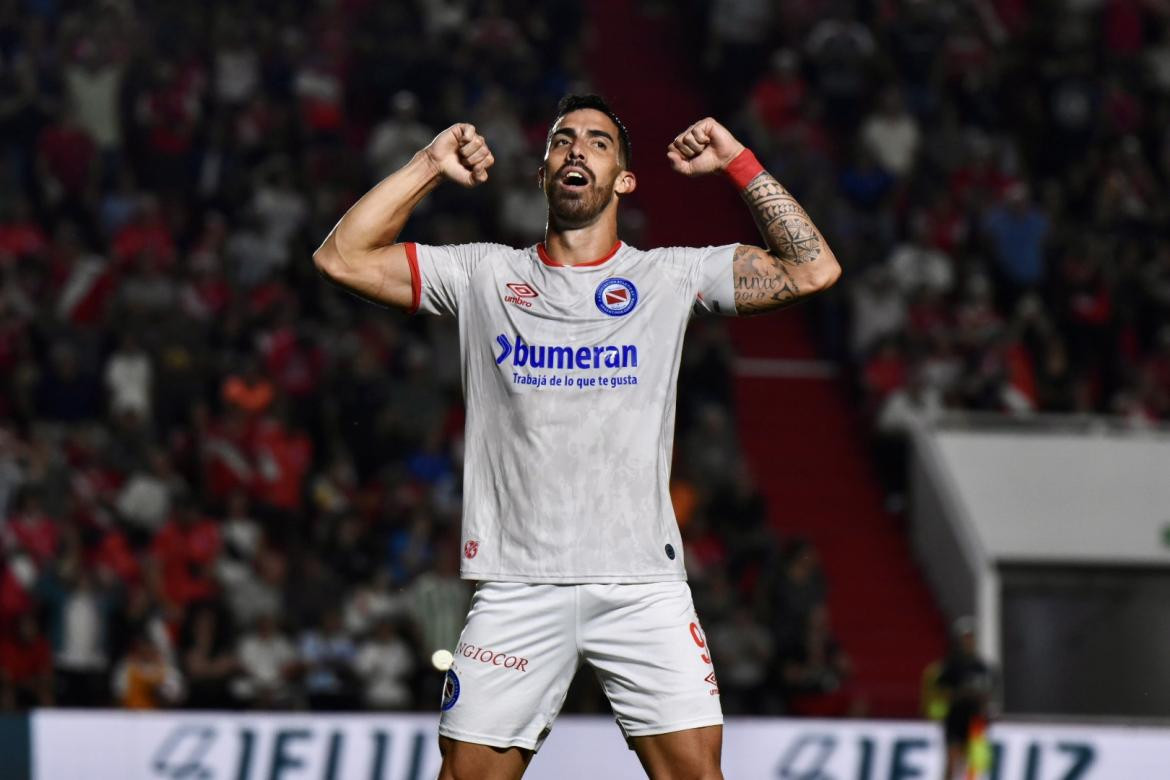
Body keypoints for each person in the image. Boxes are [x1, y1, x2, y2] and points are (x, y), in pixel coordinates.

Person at [313, 94, 840, 779]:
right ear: (542, 174)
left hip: (642, 585)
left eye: (597, 142)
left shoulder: (667, 276)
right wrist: (429, 163)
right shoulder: (485, 275)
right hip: (517, 583)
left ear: (624, 179)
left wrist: (738, 161)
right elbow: (341, 258)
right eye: (562, 140)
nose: (575, 150)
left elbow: (813, 269)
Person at [933, 617, 996, 780]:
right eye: (965, 638)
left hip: (976, 720)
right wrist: (959, 694)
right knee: (952, 761)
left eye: (971, 637)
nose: (968, 641)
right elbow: (939, 690)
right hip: (956, 717)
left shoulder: (982, 667)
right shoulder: (952, 665)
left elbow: (988, 694)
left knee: (974, 766)